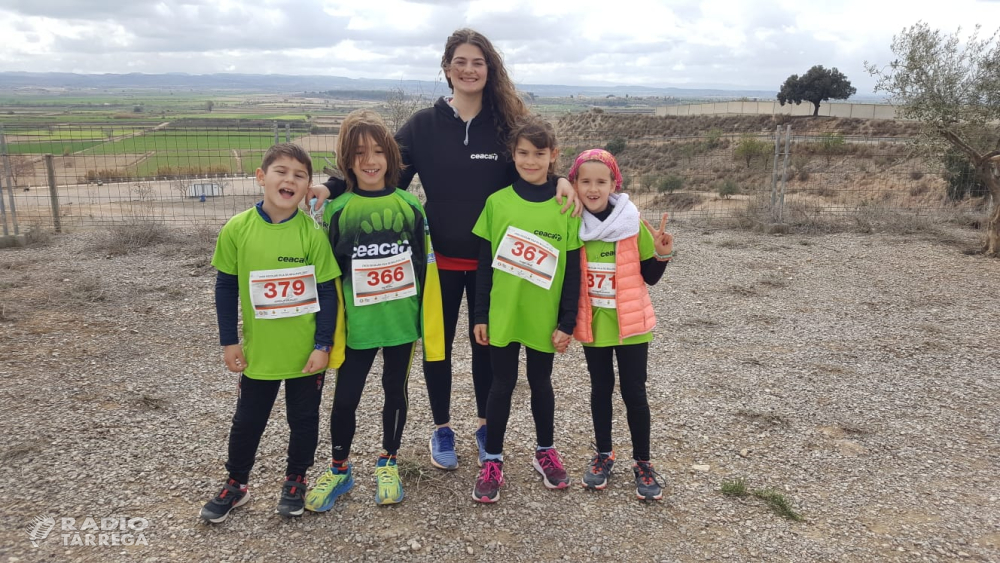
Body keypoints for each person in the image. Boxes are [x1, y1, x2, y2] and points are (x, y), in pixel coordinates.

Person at [310, 29, 579, 471]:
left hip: (496, 264)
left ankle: (482, 422)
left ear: (489, 69)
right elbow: (380, 169)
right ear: (447, 68)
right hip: (438, 262)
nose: (469, 69)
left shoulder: (504, 126)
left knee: (486, 347)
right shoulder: (422, 124)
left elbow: (538, 163)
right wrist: (332, 184)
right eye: (460, 61)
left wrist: (562, 179)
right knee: (438, 346)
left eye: (478, 62)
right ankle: (442, 428)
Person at [304, 110, 445, 510]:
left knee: (394, 393)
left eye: (379, 151)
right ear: (348, 160)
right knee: (345, 398)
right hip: (357, 327)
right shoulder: (336, 209)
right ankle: (339, 468)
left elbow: (425, 267)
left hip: (400, 324)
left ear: (392, 158)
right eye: (360, 152)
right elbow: (327, 274)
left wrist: (425, 322)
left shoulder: (411, 207)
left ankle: (389, 461)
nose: (371, 160)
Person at [200, 144, 341, 523]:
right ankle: (236, 484)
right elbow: (226, 287)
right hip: (259, 353)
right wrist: (228, 340)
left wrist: (323, 344)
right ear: (261, 177)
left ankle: (296, 479)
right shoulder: (237, 229)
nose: (290, 180)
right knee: (248, 420)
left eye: (299, 175)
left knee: (304, 419)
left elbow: (328, 291)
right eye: (281, 171)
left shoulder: (312, 232)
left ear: (308, 186)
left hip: (305, 355)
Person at [470, 115, 582, 503]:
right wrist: (480, 314)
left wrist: (568, 321)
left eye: (539, 154)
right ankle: (493, 458)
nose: (530, 161)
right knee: (501, 385)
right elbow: (484, 265)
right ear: (512, 155)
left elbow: (573, 271)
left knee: (541, 383)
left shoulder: (566, 205)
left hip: (543, 318)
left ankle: (545, 451)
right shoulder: (497, 203)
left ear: (554, 156)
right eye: (522, 153)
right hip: (504, 314)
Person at [567, 148, 674, 501]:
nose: (593, 188)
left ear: (615, 183)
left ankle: (642, 462)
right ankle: (604, 454)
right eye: (585, 181)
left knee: (634, 393)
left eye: (601, 181)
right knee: (600, 390)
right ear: (574, 184)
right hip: (595, 327)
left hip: (632, 327)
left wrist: (661, 253)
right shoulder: (572, 222)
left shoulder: (631, 223)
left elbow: (650, 277)